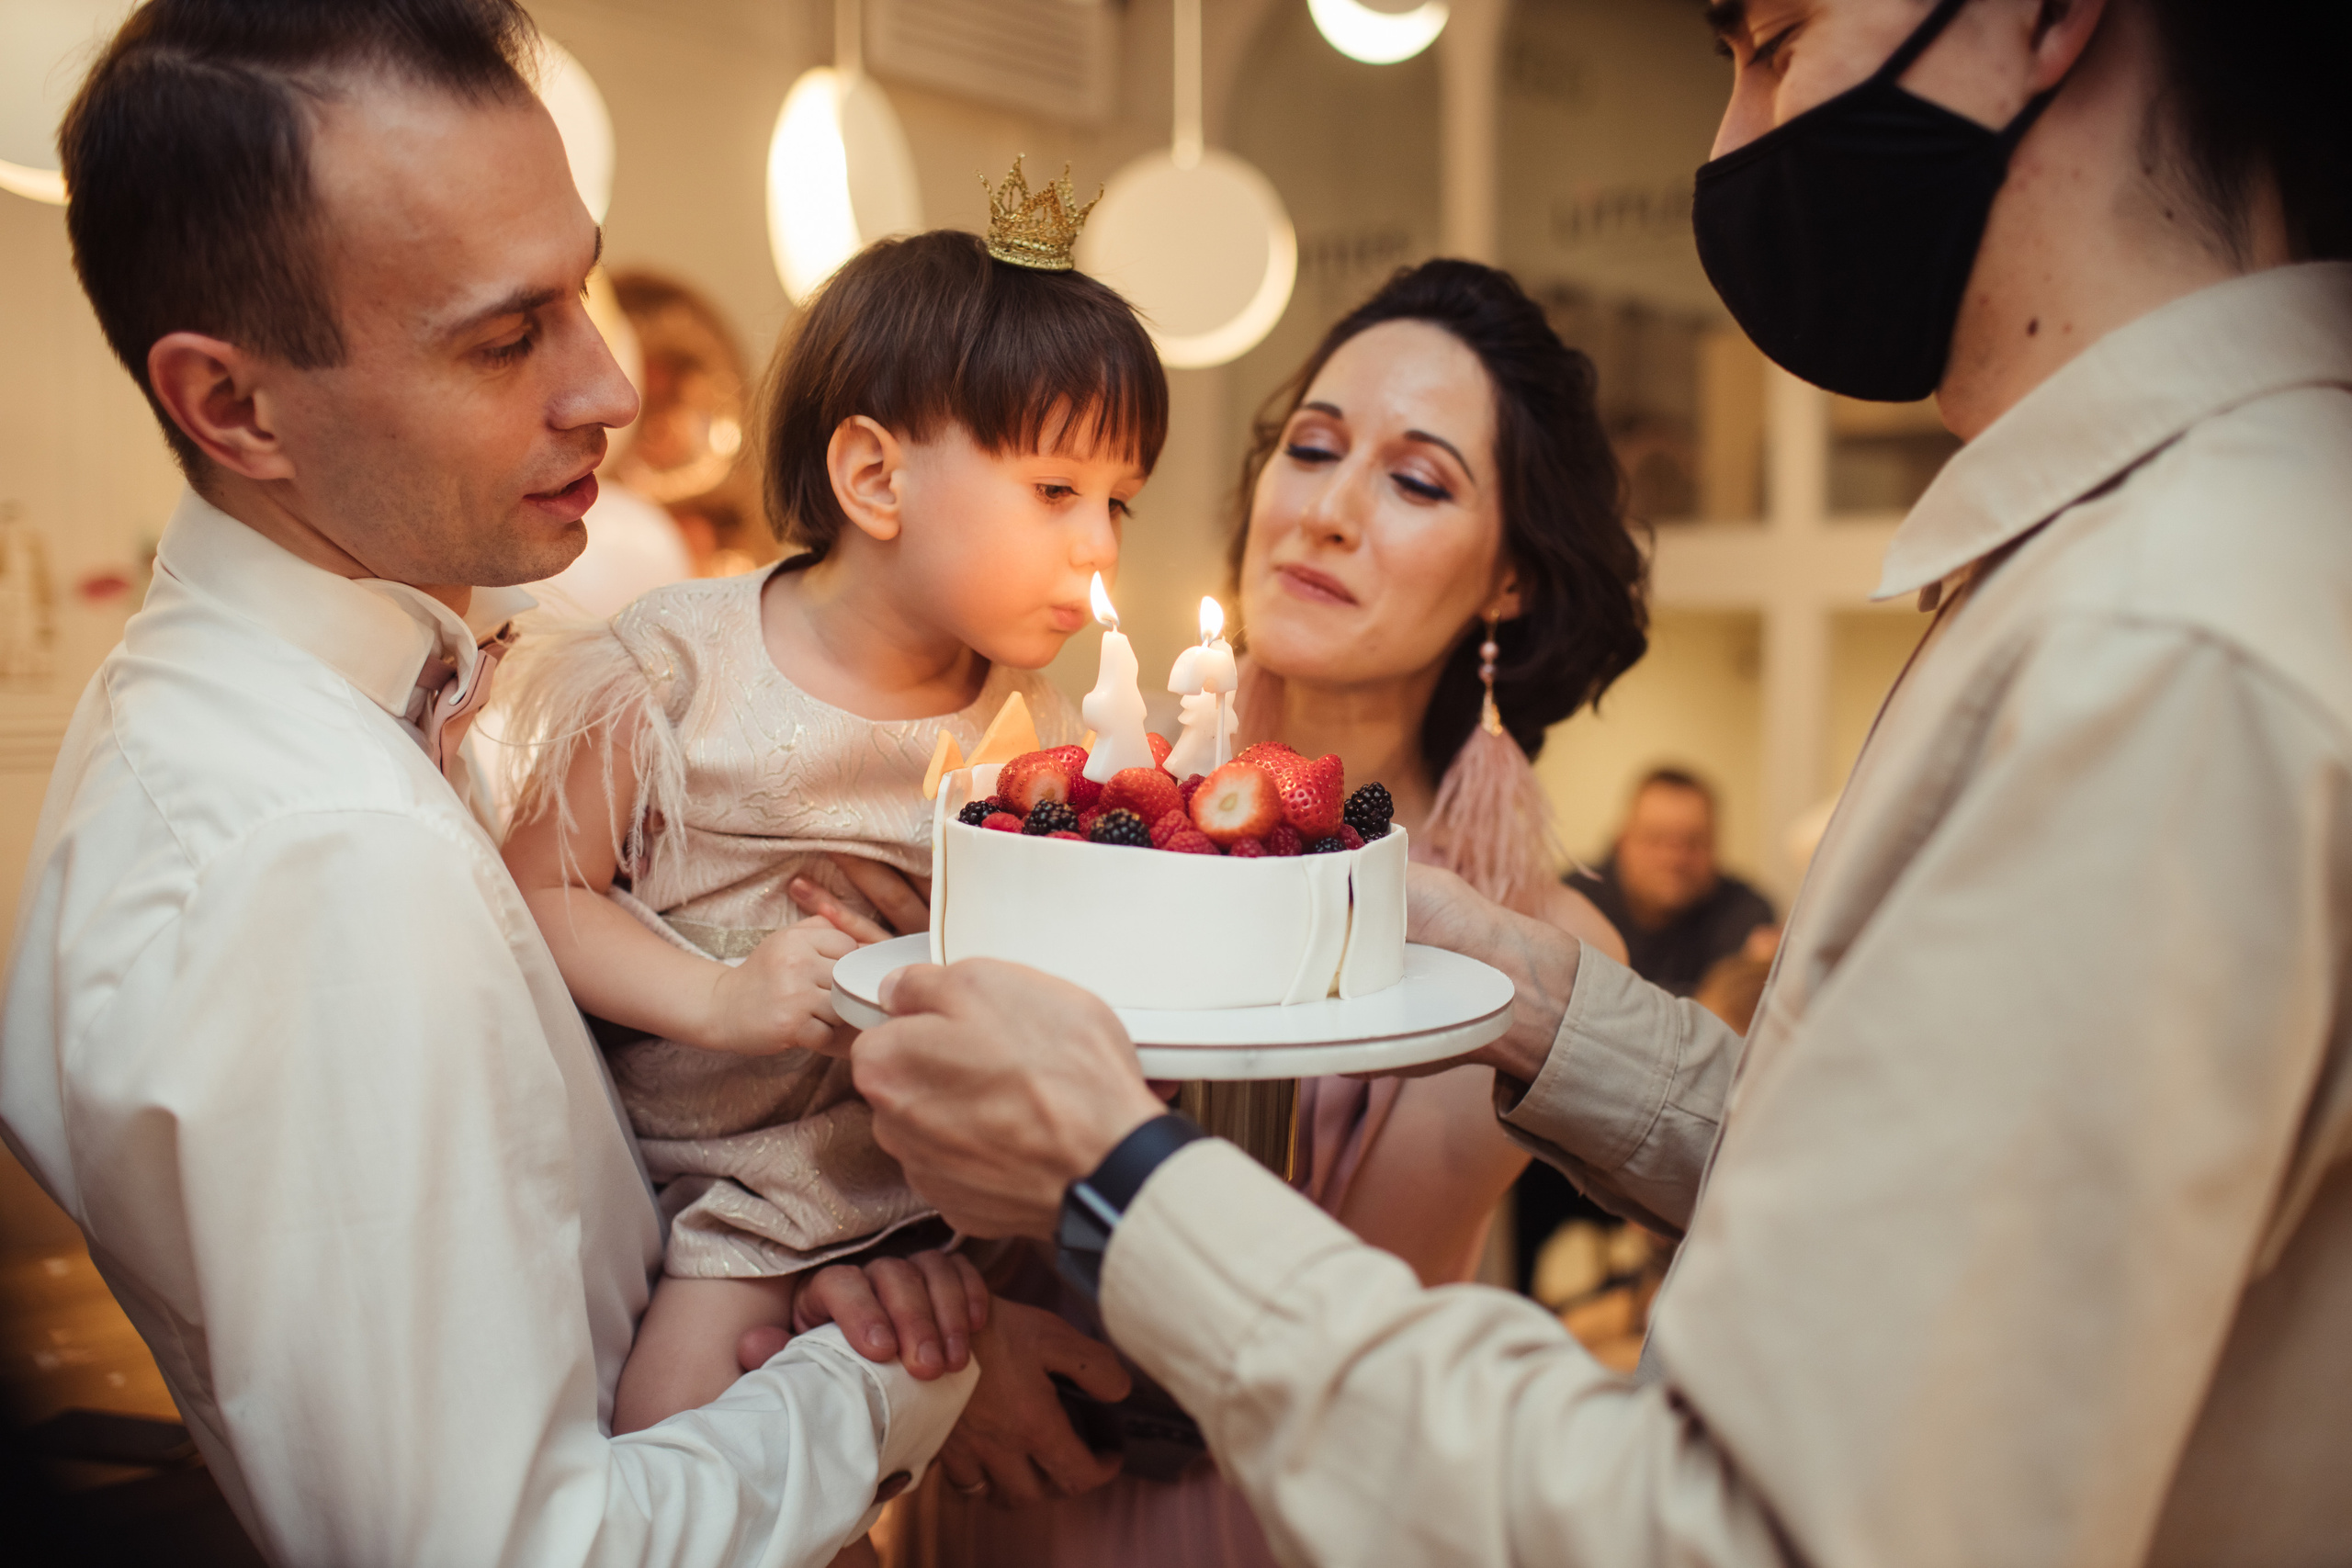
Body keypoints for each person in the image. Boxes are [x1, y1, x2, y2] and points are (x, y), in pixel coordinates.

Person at [838, 0, 2352, 1562]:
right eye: (1310, 447)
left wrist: (1117, 1169)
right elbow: (1917, 1228)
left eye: (1776, 38)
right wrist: (1540, 1001)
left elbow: (1751, 1523)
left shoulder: (2166, 638)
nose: (1732, 144)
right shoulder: (2131, 572)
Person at [0, 5, 983, 1564]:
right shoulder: (322, 855)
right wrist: (896, 1380)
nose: (609, 388)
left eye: (580, 288)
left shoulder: (336, 718)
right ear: (234, 406)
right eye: (505, 336)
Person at [879, 259, 1645, 1567]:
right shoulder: (1061, 800)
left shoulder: (1526, 944)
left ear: (1509, 579)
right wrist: (948, 1334)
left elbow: (1309, 1308)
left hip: (1258, 1508)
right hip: (996, 1484)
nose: (1328, 512)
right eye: (1312, 447)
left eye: (1417, 479)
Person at [498, 219, 1165, 1435]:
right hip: (736, 1184)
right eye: (1057, 489)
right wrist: (718, 999)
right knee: (674, 1433)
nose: (1101, 548)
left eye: (1120, 500)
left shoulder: (1047, 728)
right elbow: (540, 890)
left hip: (940, 1183)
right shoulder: (677, 661)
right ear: (873, 476)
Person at [1568, 768, 1775, 998]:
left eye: (1693, 843)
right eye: (1656, 839)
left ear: (1715, 846)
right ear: (1622, 841)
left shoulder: (1746, 911)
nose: (1673, 859)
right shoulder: (1572, 901)